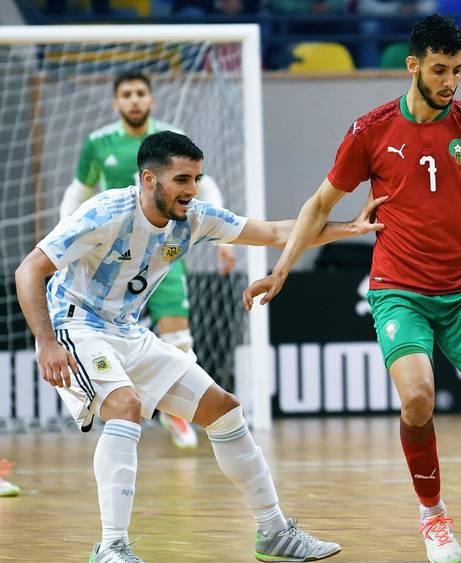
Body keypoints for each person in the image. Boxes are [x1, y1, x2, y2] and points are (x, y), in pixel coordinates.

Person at [243, 15, 461, 563]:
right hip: (398, 288)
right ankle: (433, 516)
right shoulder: (372, 130)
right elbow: (319, 206)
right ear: (413, 65)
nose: (450, 82)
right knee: (418, 397)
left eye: (457, 71)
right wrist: (281, 267)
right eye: (439, 70)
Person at [16, 131, 383, 562]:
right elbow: (29, 270)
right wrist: (46, 342)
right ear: (149, 179)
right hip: (75, 326)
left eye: (196, 179)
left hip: (129, 332)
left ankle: (274, 534)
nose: (192, 190)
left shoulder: (194, 218)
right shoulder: (104, 212)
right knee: (124, 404)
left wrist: (349, 229)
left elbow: (276, 232)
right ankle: (111, 547)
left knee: (224, 410)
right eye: (182, 180)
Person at [62, 70, 236, 450]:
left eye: (141, 93)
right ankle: (113, 402)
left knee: (178, 336)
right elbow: (78, 192)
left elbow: (204, 186)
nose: (135, 100)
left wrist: (224, 240)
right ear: (116, 102)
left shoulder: (168, 139)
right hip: (107, 263)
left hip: (161, 253)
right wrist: (66, 240)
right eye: (127, 94)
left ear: (151, 99)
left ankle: (177, 414)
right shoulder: (98, 143)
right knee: (105, 335)